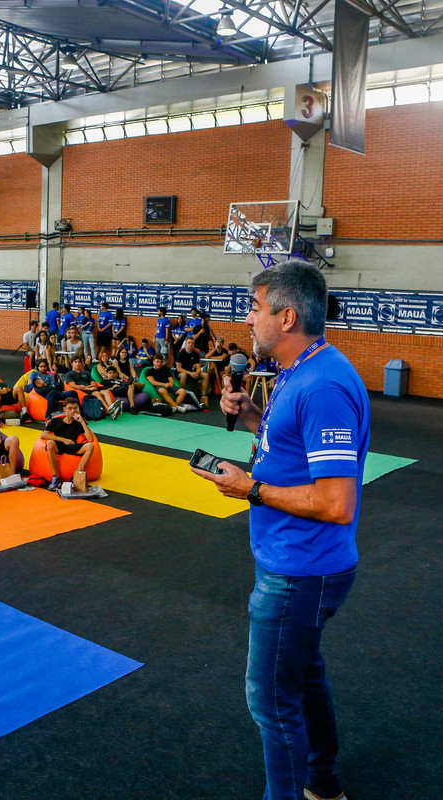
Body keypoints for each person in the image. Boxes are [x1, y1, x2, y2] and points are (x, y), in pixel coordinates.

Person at [191, 260, 370, 800]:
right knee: (302, 677)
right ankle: (323, 784)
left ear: (287, 316)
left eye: (256, 309)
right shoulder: (301, 370)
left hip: (301, 569)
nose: (248, 320)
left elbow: (337, 502)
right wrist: (250, 416)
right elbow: (289, 451)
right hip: (299, 561)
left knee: (270, 699)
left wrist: (251, 490)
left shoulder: (324, 386)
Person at [39, 397, 96, 491]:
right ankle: (55, 477)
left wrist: (82, 421)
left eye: (75, 408)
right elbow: (43, 435)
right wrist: (64, 440)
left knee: (90, 446)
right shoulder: (55, 421)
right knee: (49, 443)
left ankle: (77, 475)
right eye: (70, 408)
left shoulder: (79, 423)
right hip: (60, 446)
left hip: (72, 446)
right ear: (64, 409)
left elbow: (90, 439)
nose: (73, 411)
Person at [173, 337, 210, 407]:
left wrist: (197, 373)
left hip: (192, 373)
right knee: (184, 375)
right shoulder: (180, 354)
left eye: (192, 343)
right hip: (181, 373)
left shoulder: (195, 354)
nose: (190, 344)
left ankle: (203, 395)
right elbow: (179, 368)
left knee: (205, 375)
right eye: (189, 343)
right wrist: (190, 373)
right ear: (186, 344)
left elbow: (198, 367)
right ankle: (183, 393)